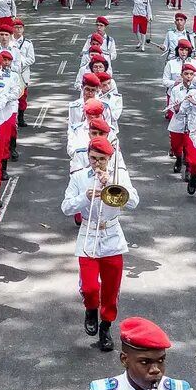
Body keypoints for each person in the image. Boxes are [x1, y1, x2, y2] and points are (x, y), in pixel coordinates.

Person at [61, 138, 138, 352]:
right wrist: (84, 198)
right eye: (93, 158)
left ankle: (106, 326)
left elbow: (134, 202)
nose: (97, 164)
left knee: (111, 289)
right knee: (90, 286)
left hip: (112, 234)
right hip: (88, 233)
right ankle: (90, 309)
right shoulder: (78, 178)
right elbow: (66, 207)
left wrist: (112, 184)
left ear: (110, 158)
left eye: (102, 159)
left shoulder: (119, 174)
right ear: (88, 156)